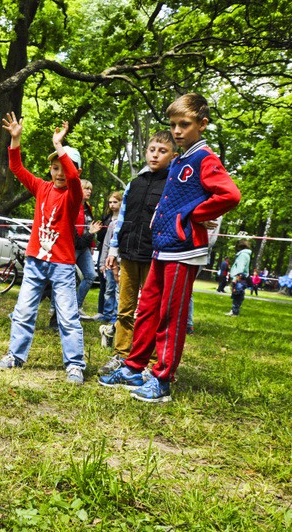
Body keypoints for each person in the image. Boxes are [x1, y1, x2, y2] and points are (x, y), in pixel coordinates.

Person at [99, 94, 241, 402]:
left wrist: (192, 216)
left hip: (184, 249)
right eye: (174, 125)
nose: (177, 131)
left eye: (184, 124)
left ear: (202, 124)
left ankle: (162, 380)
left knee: (170, 315)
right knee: (147, 308)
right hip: (161, 248)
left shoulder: (205, 158)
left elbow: (230, 195)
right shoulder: (179, 160)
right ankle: (134, 367)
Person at [0, 114, 86, 385]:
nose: (58, 173)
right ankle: (15, 356)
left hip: (62, 264)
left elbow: (75, 180)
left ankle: (75, 365)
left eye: (63, 168)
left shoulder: (73, 194)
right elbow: (17, 168)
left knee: (67, 315)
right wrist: (15, 138)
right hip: (35, 261)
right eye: (54, 168)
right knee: (23, 311)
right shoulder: (42, 188)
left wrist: (60, 146)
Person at [98, 131, 175, 374]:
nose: (156, 155)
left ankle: (149, 361)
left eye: (162, 151)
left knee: (151, 310)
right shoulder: (134, 184)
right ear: (146, 152)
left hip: (154, 256)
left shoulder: (172, 184)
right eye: (152, 149)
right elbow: (121, 219)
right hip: (128, 254)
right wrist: (114, 248)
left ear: (173, 156)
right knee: (125, 308)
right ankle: (121, 354)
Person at [75, 180, 103, 319]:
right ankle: (54, 308)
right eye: (86, 189)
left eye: (90, 189)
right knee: (63, 278)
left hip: (85, 246)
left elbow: (89, 226)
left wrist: (92, 245)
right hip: (72, 247)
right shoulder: (72, 204)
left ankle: (77, 306)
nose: (89, 192)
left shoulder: (87, 207)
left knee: (91, 275)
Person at [97, 191, 123, 334]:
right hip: (108, 262)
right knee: (108, 289)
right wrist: (102, 263)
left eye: (115, 202)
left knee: (119, 290)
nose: (112, 205)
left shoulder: (125, 221)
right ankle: (107, 314)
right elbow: (106, 244)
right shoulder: (110, 222)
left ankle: (116, 315)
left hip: (120, 262)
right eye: (110, 202)